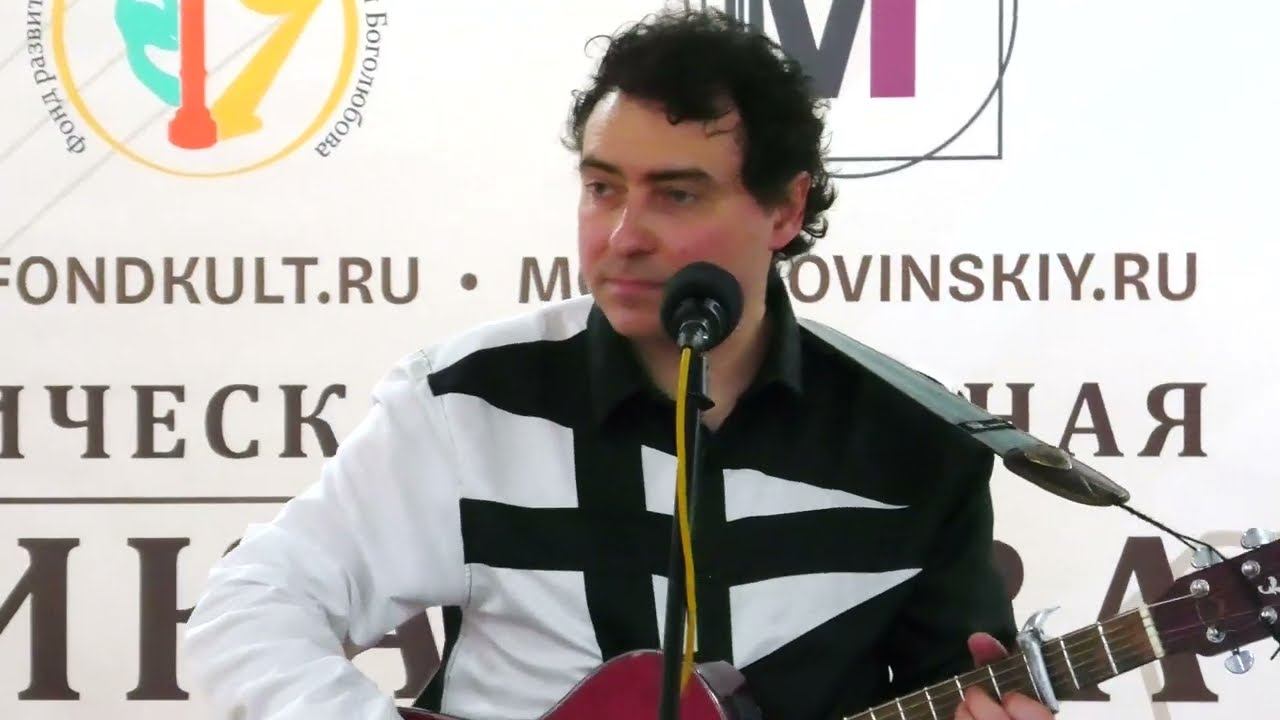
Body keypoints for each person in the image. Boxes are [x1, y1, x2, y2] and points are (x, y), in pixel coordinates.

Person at [184, 9, 1053, 720]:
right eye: (602, 188)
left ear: (786, 209)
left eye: (677, 194)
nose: (623, 236)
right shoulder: (469, 399)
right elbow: (250, 605)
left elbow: (957, 690)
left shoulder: (918, 440)